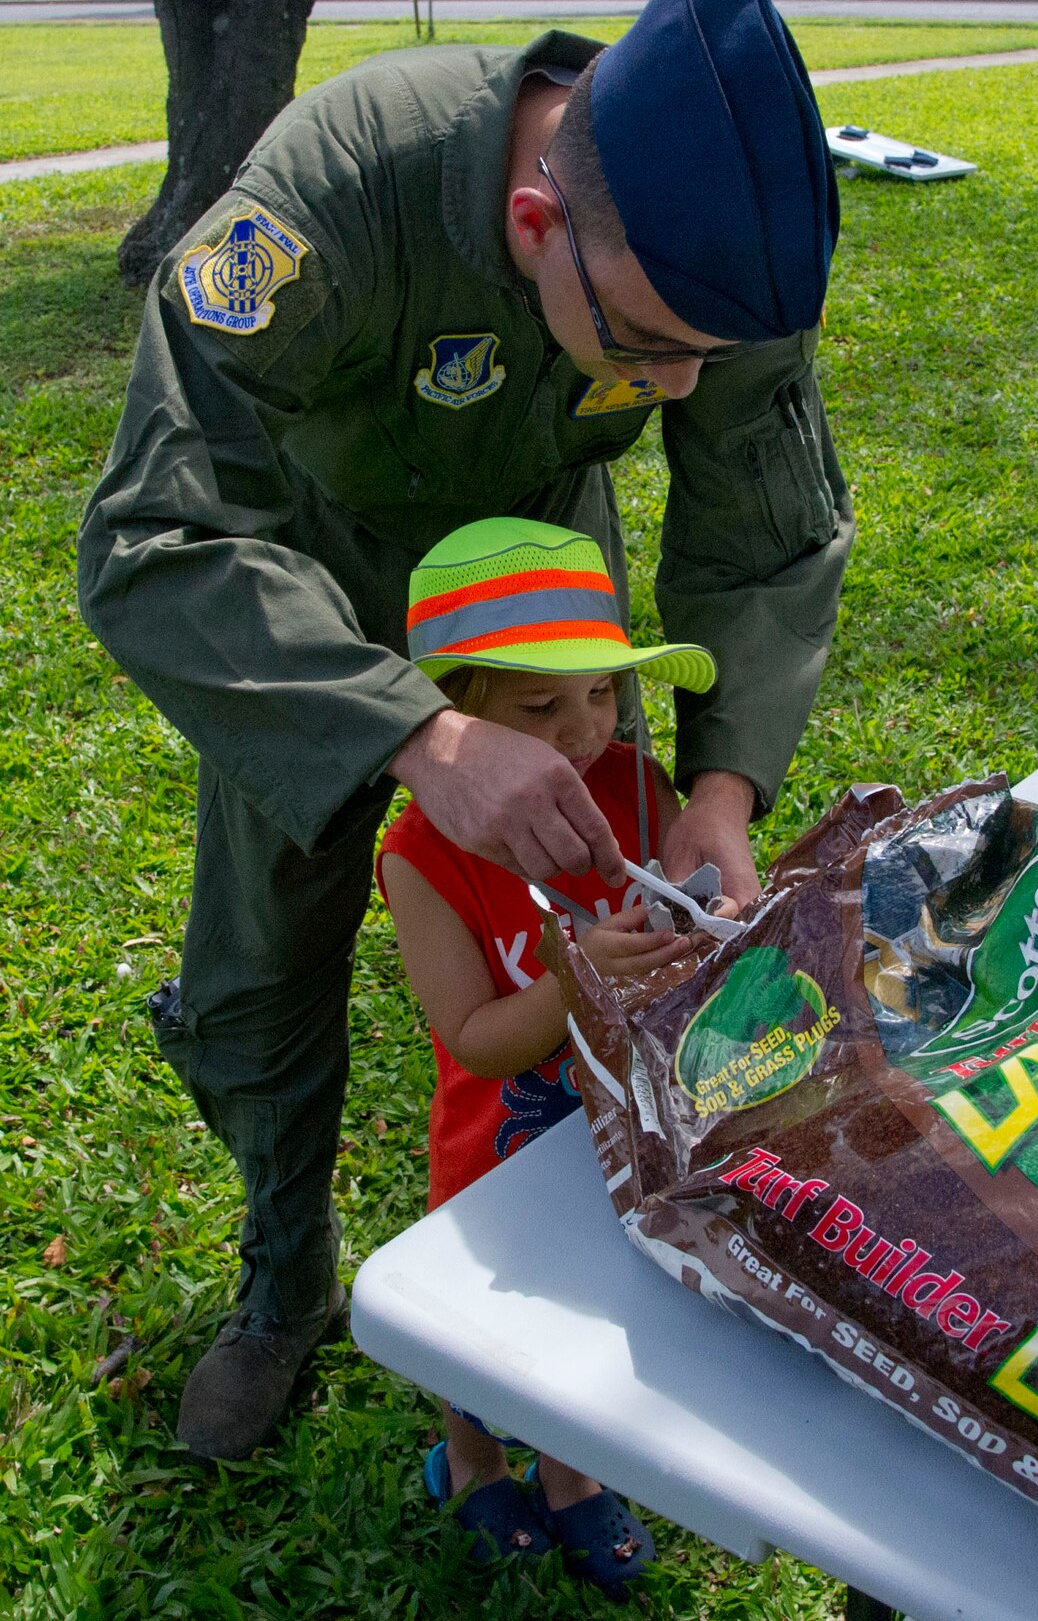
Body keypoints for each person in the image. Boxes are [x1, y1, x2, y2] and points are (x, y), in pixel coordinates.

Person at [75, 0, 849, 1460]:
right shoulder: (336, 191)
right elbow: (158, 533)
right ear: (530, 217)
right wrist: (413, 730)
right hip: (303, 567)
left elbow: (760, 528)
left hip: (542, 579)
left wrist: (717, 786)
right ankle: (284, 1278)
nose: (681, 385)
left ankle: (605, 1231)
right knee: (265, 948)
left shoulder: (720, 252)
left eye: (712, 353)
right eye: (647, 349)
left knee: (611, 915)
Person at [377, 518, 718, 1590]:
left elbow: (682, 930)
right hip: (499, 1142)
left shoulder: (637, 783)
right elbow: (473, 1040)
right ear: (459, 709)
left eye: (605, 693)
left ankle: (569, 1475)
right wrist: (578, 976)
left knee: (585, 1310)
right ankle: (473, 1464)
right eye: (539, 705)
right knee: (488, 1329)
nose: (583, 731)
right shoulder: (422, 853)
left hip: (620, 1126)